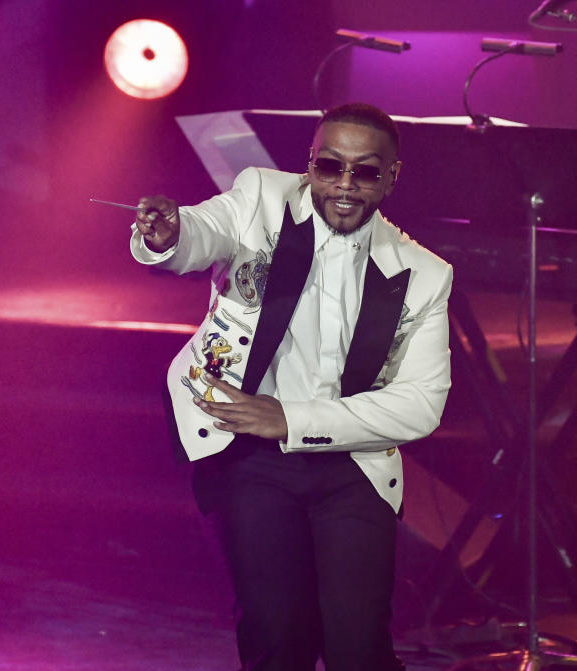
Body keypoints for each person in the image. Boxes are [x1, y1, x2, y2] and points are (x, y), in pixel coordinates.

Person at [129, 102, 453, 671]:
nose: (345, 185)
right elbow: (203, 232)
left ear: (392, 177)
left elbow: (422, 404)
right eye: (330, 167)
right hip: (250, 455)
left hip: (353, 465)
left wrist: (291, 419)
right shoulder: (261, 199)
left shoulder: (423, 273)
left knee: (358, 649)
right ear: (310, 165)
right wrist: (170, 235)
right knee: (277, 638)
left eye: (366, 171)